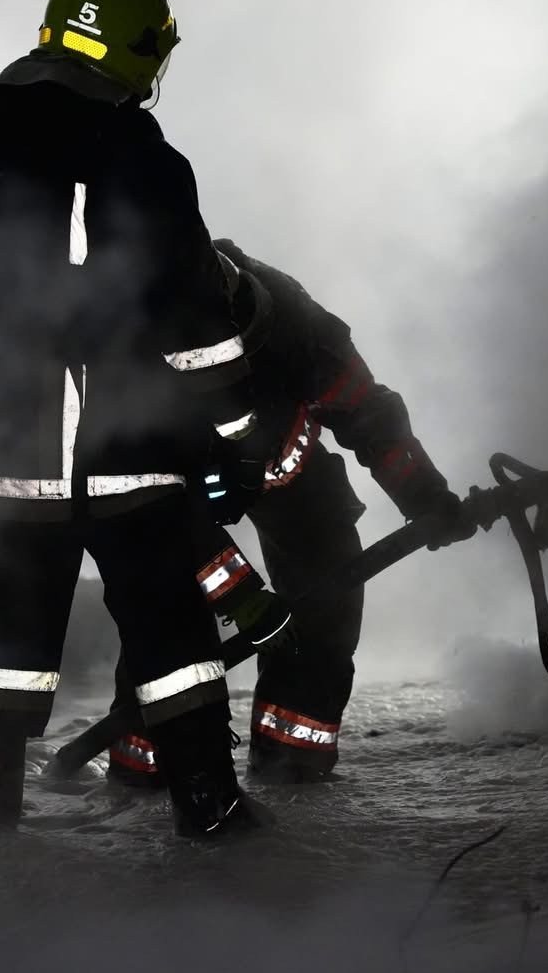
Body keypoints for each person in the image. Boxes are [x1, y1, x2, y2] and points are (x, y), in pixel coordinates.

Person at [0, 0, 290, 837]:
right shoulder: (146, 160)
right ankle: (210, 810)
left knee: (6, 640)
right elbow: (196, 323)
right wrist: (241, 435)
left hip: (12, 451)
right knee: (171, 635)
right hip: (127, 451)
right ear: (139, 50)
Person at [107, 238, 475, 786]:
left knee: (327, 593)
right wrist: (243, 598)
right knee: (165, 607)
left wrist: (424, 495)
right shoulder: (134, 355)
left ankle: (291, 758)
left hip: (286, 473)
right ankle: (150, 764)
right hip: (173, 492)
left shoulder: (300, 328)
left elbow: (368, 415)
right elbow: (158, 517)